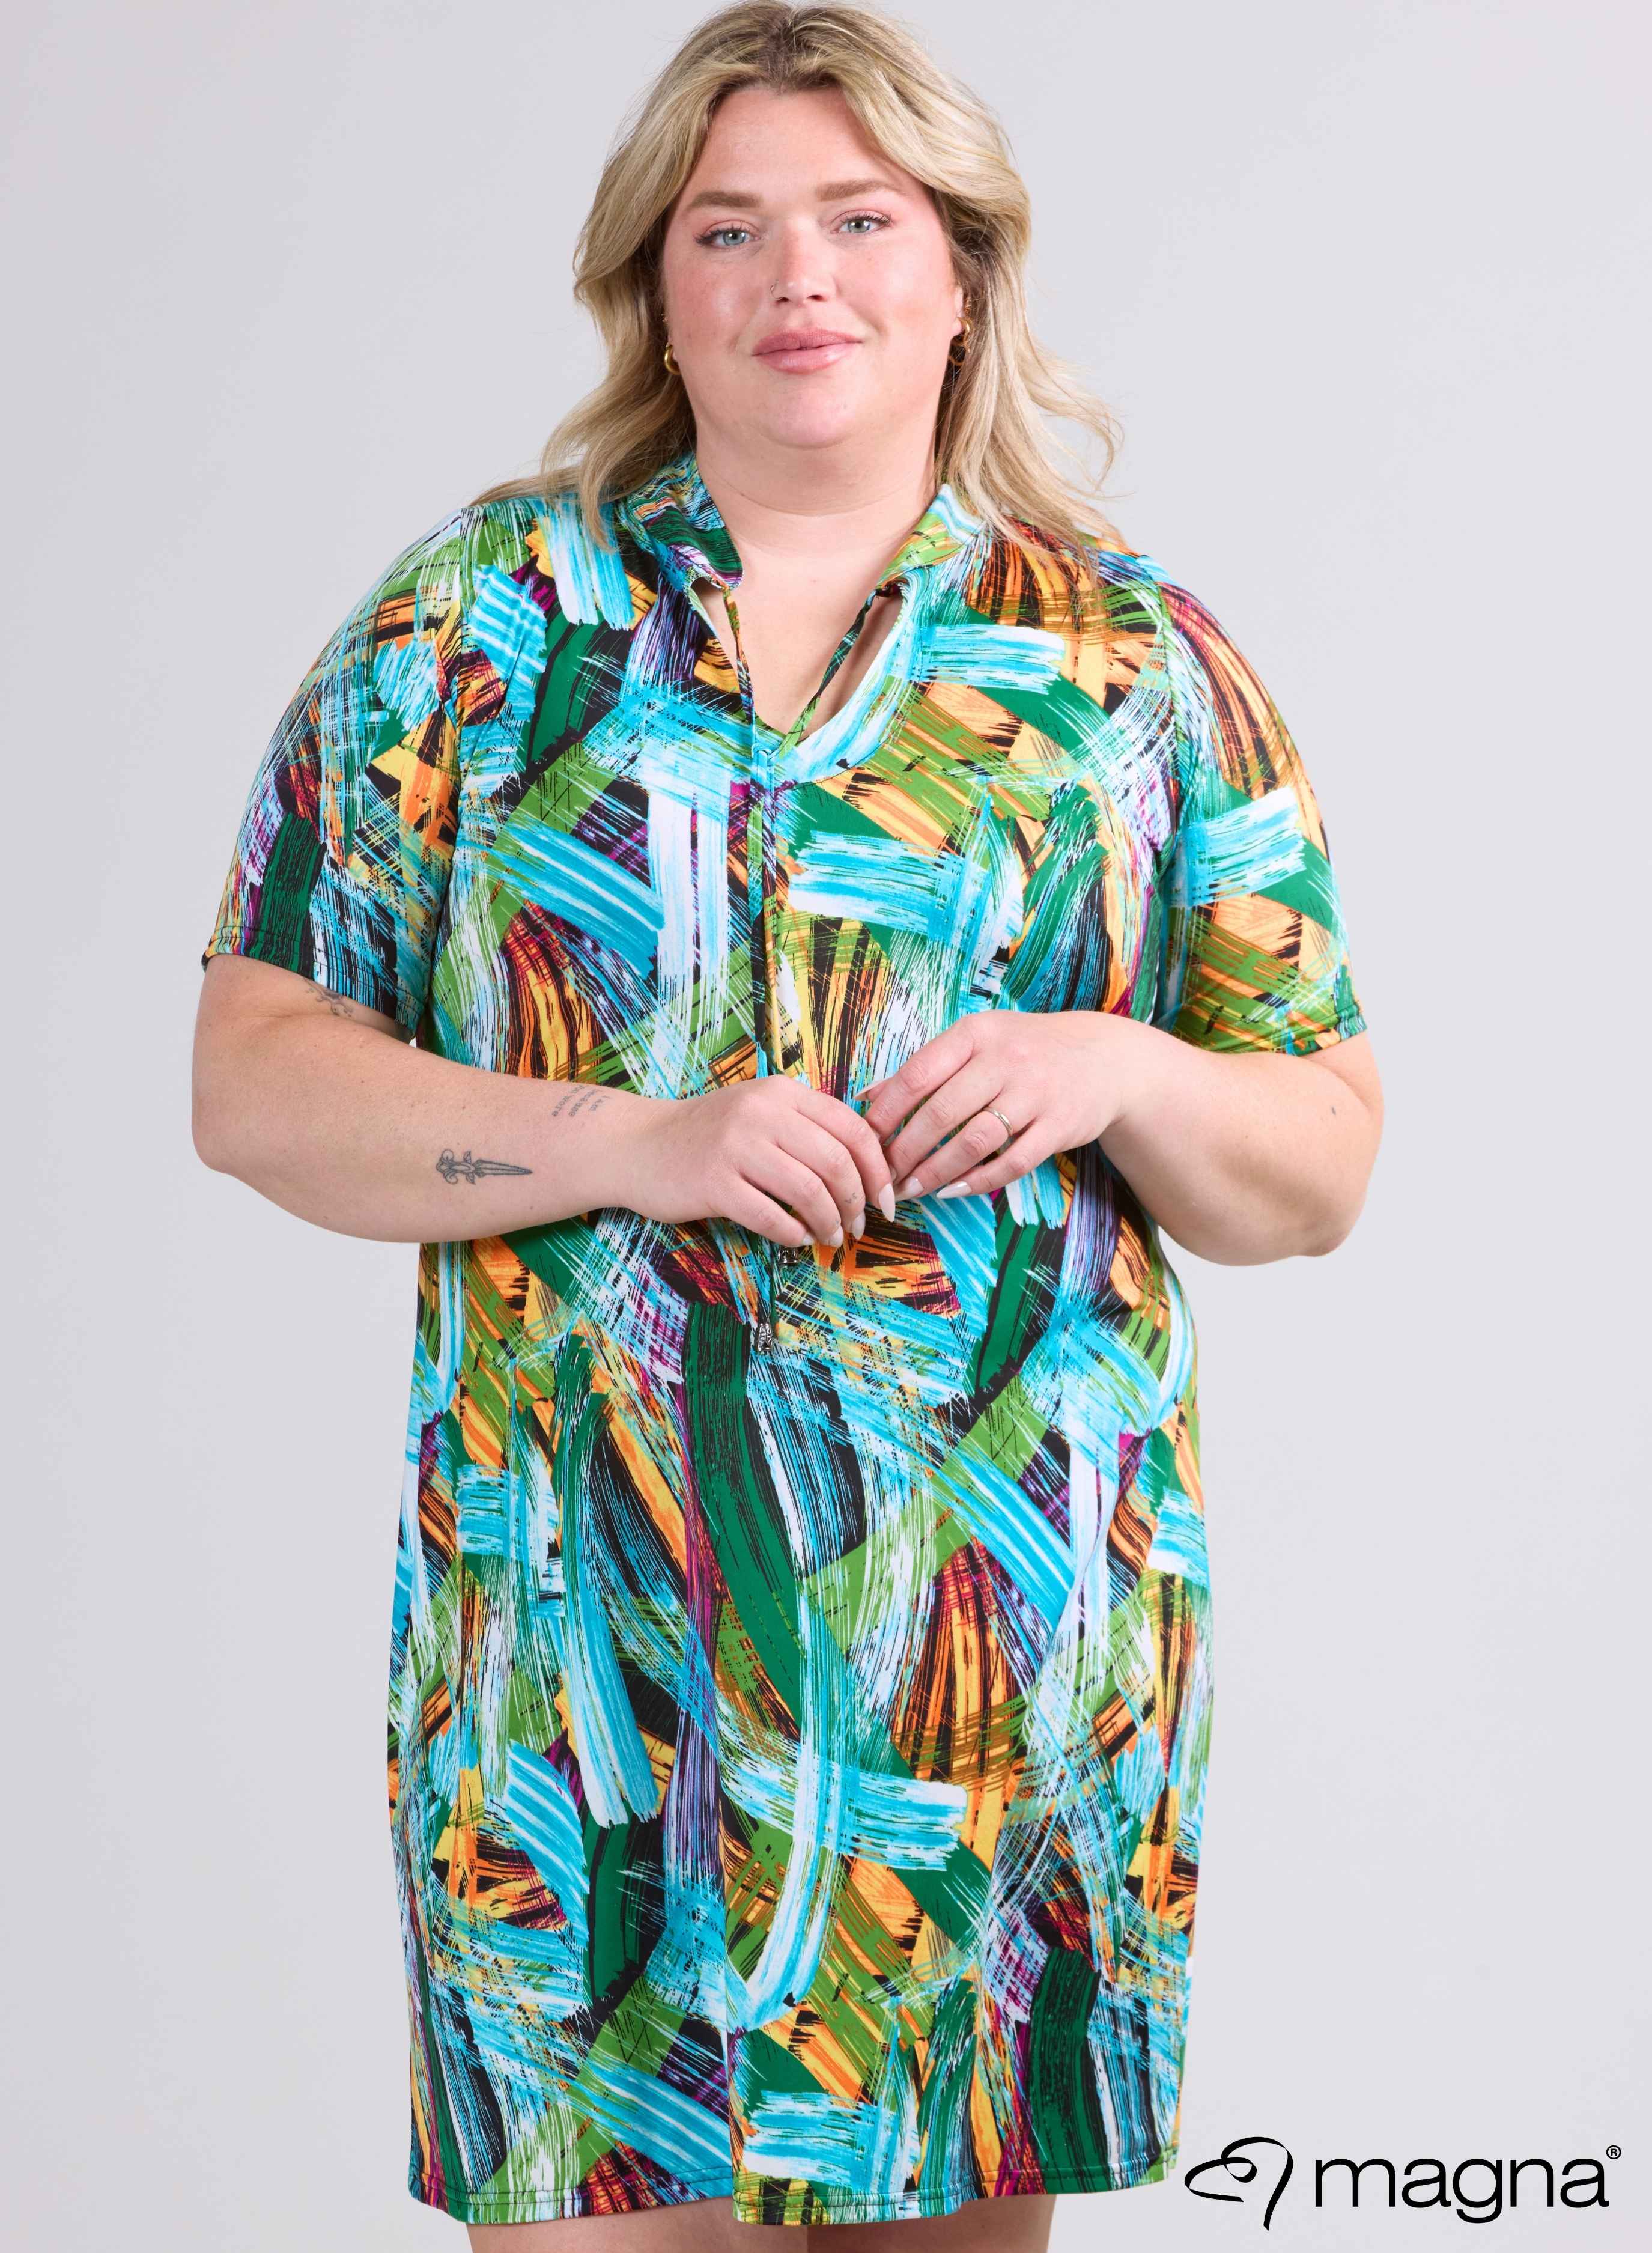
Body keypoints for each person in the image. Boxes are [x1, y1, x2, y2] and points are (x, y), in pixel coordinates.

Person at [192, 3, 1382, 2245]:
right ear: (658, 289)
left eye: (859, 221)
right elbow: (251, 1080)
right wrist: (628, 1140)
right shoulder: (477, 630)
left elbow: (1320, 1162)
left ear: (963, 274)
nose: (797, 277)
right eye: (727, 229)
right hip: (575, 1693)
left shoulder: (1131, 669)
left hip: (984, 1695)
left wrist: (1120, 1068)